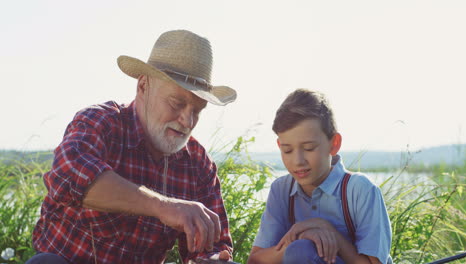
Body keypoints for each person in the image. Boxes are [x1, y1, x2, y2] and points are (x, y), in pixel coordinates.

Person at [28, 30, 237, 264]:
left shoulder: (198, 164)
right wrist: (165, 207)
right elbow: (69, 178)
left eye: (197, 111)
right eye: (177, 103)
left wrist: (213, 258)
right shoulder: (101, 122)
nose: (188, 122)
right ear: (144, 86)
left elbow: (212, 246)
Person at [247, 89, 392, 264]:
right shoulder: (281, 190)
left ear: (334, 144)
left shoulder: (359, 189)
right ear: (279, 146)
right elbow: (256, 260)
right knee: (300, 249)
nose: (298, 161)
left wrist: (332, 234)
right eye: (287, 150)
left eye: (309, 148)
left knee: (301, 251)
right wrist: (301, 236)